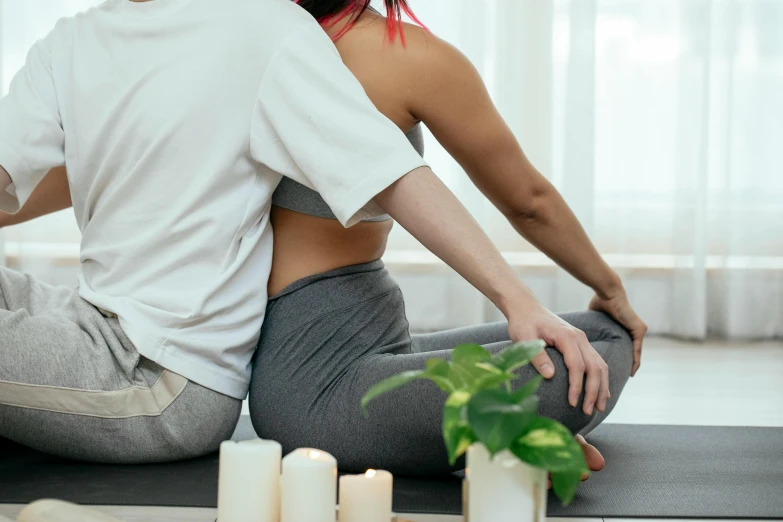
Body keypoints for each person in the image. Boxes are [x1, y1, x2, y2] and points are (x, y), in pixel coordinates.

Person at [0, 0, 577, 465]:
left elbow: (393, 174)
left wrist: (515, 298)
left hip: (160, 376)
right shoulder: (66, 42)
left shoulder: (265, 27)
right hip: (91, 320)